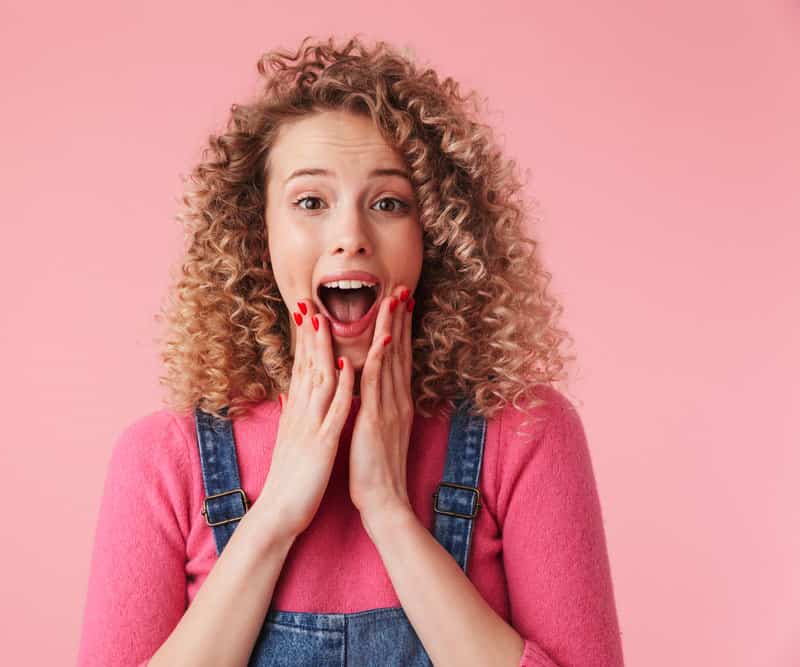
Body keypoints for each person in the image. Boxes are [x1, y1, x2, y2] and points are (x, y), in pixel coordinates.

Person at [77, 34, 624, 666]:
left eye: (388, 203)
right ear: (260, 238)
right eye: (311, 202)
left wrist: (389, 513)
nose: (351, 237)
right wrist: (276, 514)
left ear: (435, 238)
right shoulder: (163, 460)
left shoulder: (524, 433)